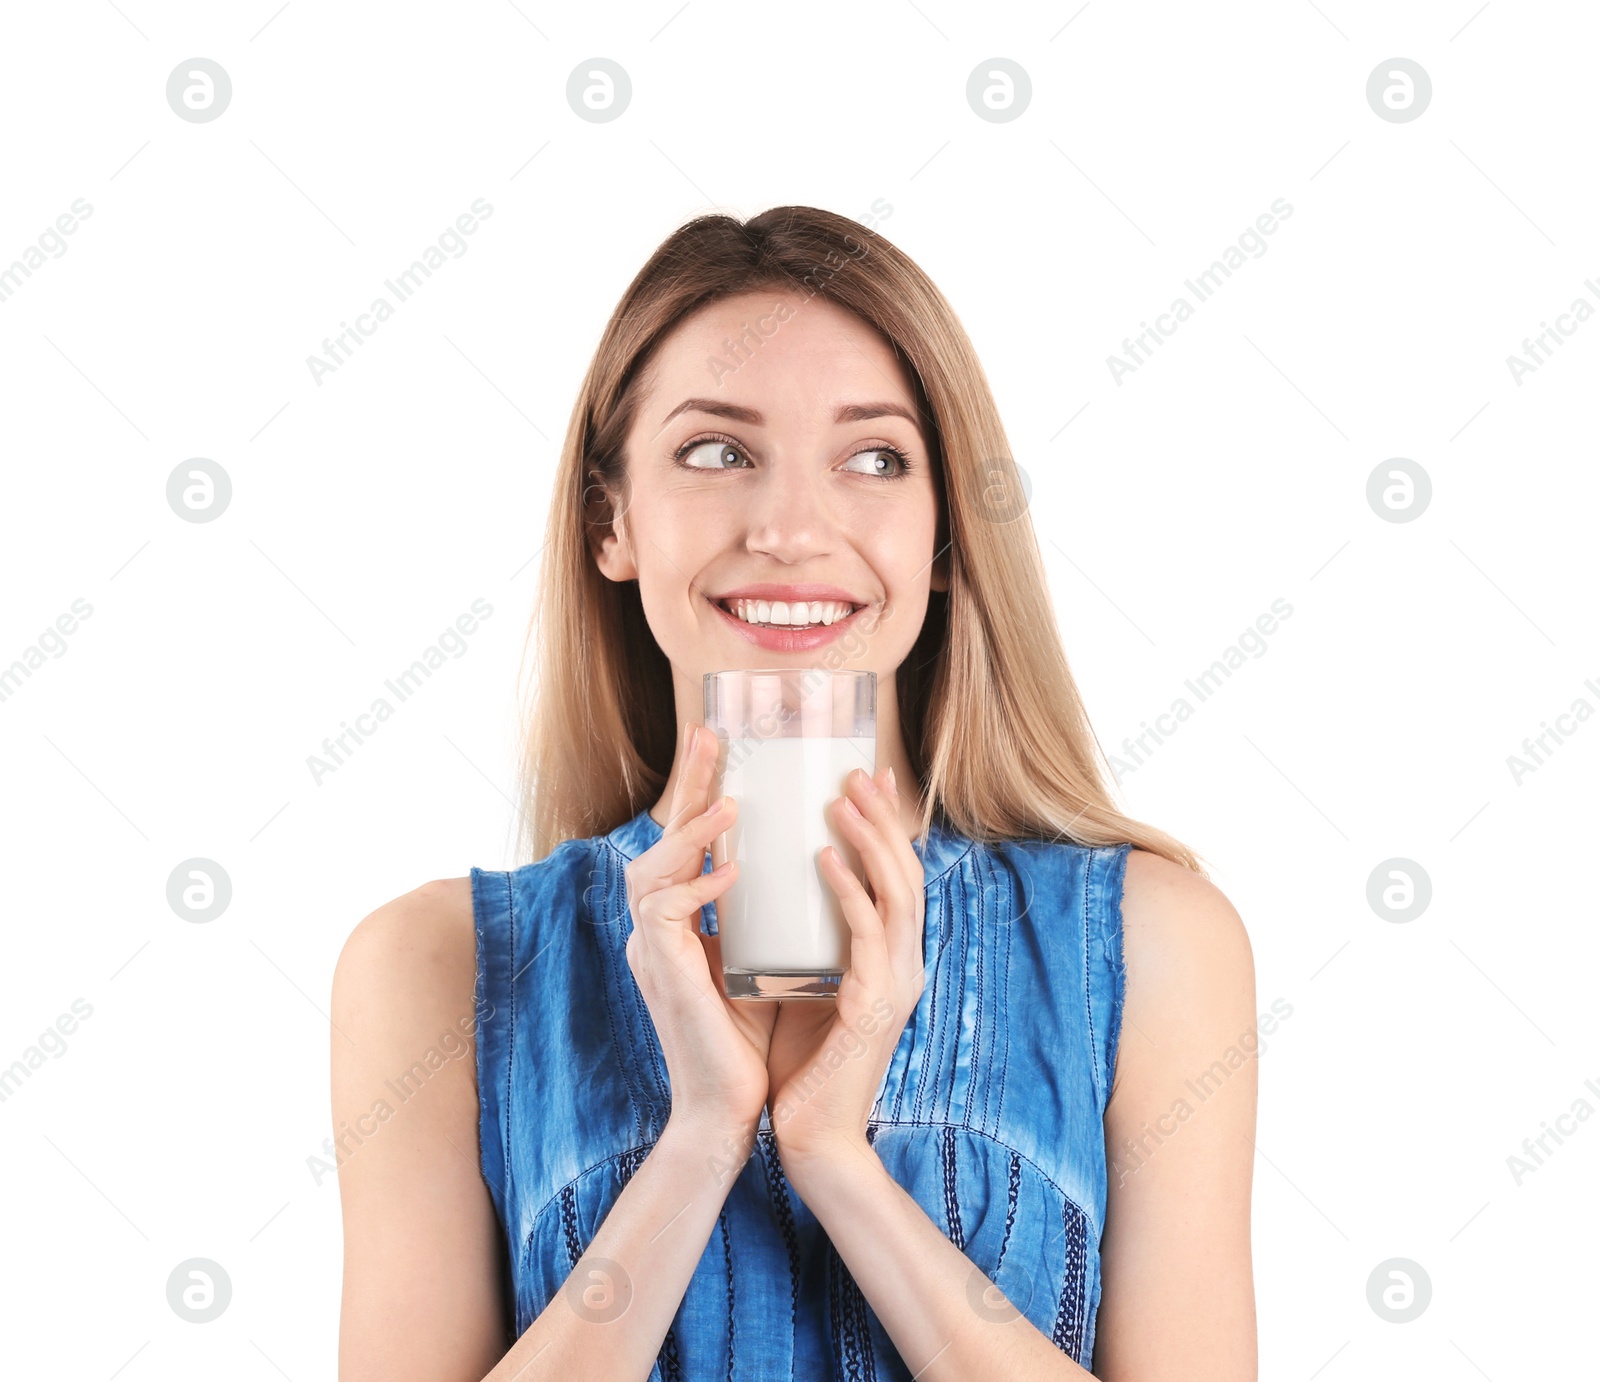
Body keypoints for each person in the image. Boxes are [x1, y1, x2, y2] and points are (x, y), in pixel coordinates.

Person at [330, 205, 1259, 1381]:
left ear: (939, 534)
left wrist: (835, 1158)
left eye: (873, 457)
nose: (789, 527)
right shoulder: (434, 964)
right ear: (610, 520)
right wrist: (703, 1134)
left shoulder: (1145, 942)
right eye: (717, 451)